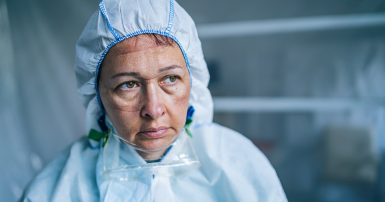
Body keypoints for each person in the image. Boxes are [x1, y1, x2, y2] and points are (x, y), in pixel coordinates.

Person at [20, 0, 287, 201]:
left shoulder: (240, 167)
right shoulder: (57, 189)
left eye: (170, 79)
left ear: (192, 80)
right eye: (128, 84)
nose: (154, 108)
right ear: (97, 95)